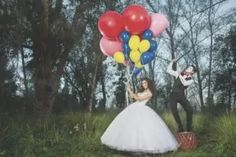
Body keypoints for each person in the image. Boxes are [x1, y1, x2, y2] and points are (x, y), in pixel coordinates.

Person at [101, 78, 179, 154]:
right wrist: (129, 90)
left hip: (142, 109)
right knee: (130, 128)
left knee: (142, 129)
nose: (143, 84)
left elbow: (138, 98)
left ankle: (141, 148)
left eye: (145, 83)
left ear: (148, 83)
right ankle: (132, 146)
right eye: (142, 83)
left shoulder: (150, 93)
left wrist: (130, 90)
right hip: (134, 107)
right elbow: (133, 97)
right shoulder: (143, 91)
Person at [167, 59, 197, 132]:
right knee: (173, 110)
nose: (187, 69)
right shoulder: (179, 73)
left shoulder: (191, 80)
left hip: (181, 95)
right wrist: (172, 62)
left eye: (190, 69)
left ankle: (189, 128)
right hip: (173, 94)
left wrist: (180, 74)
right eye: (188, 68)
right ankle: (180, 127)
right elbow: (168, 70)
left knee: (190, 110)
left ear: (192, 72)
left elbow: (184, 83)